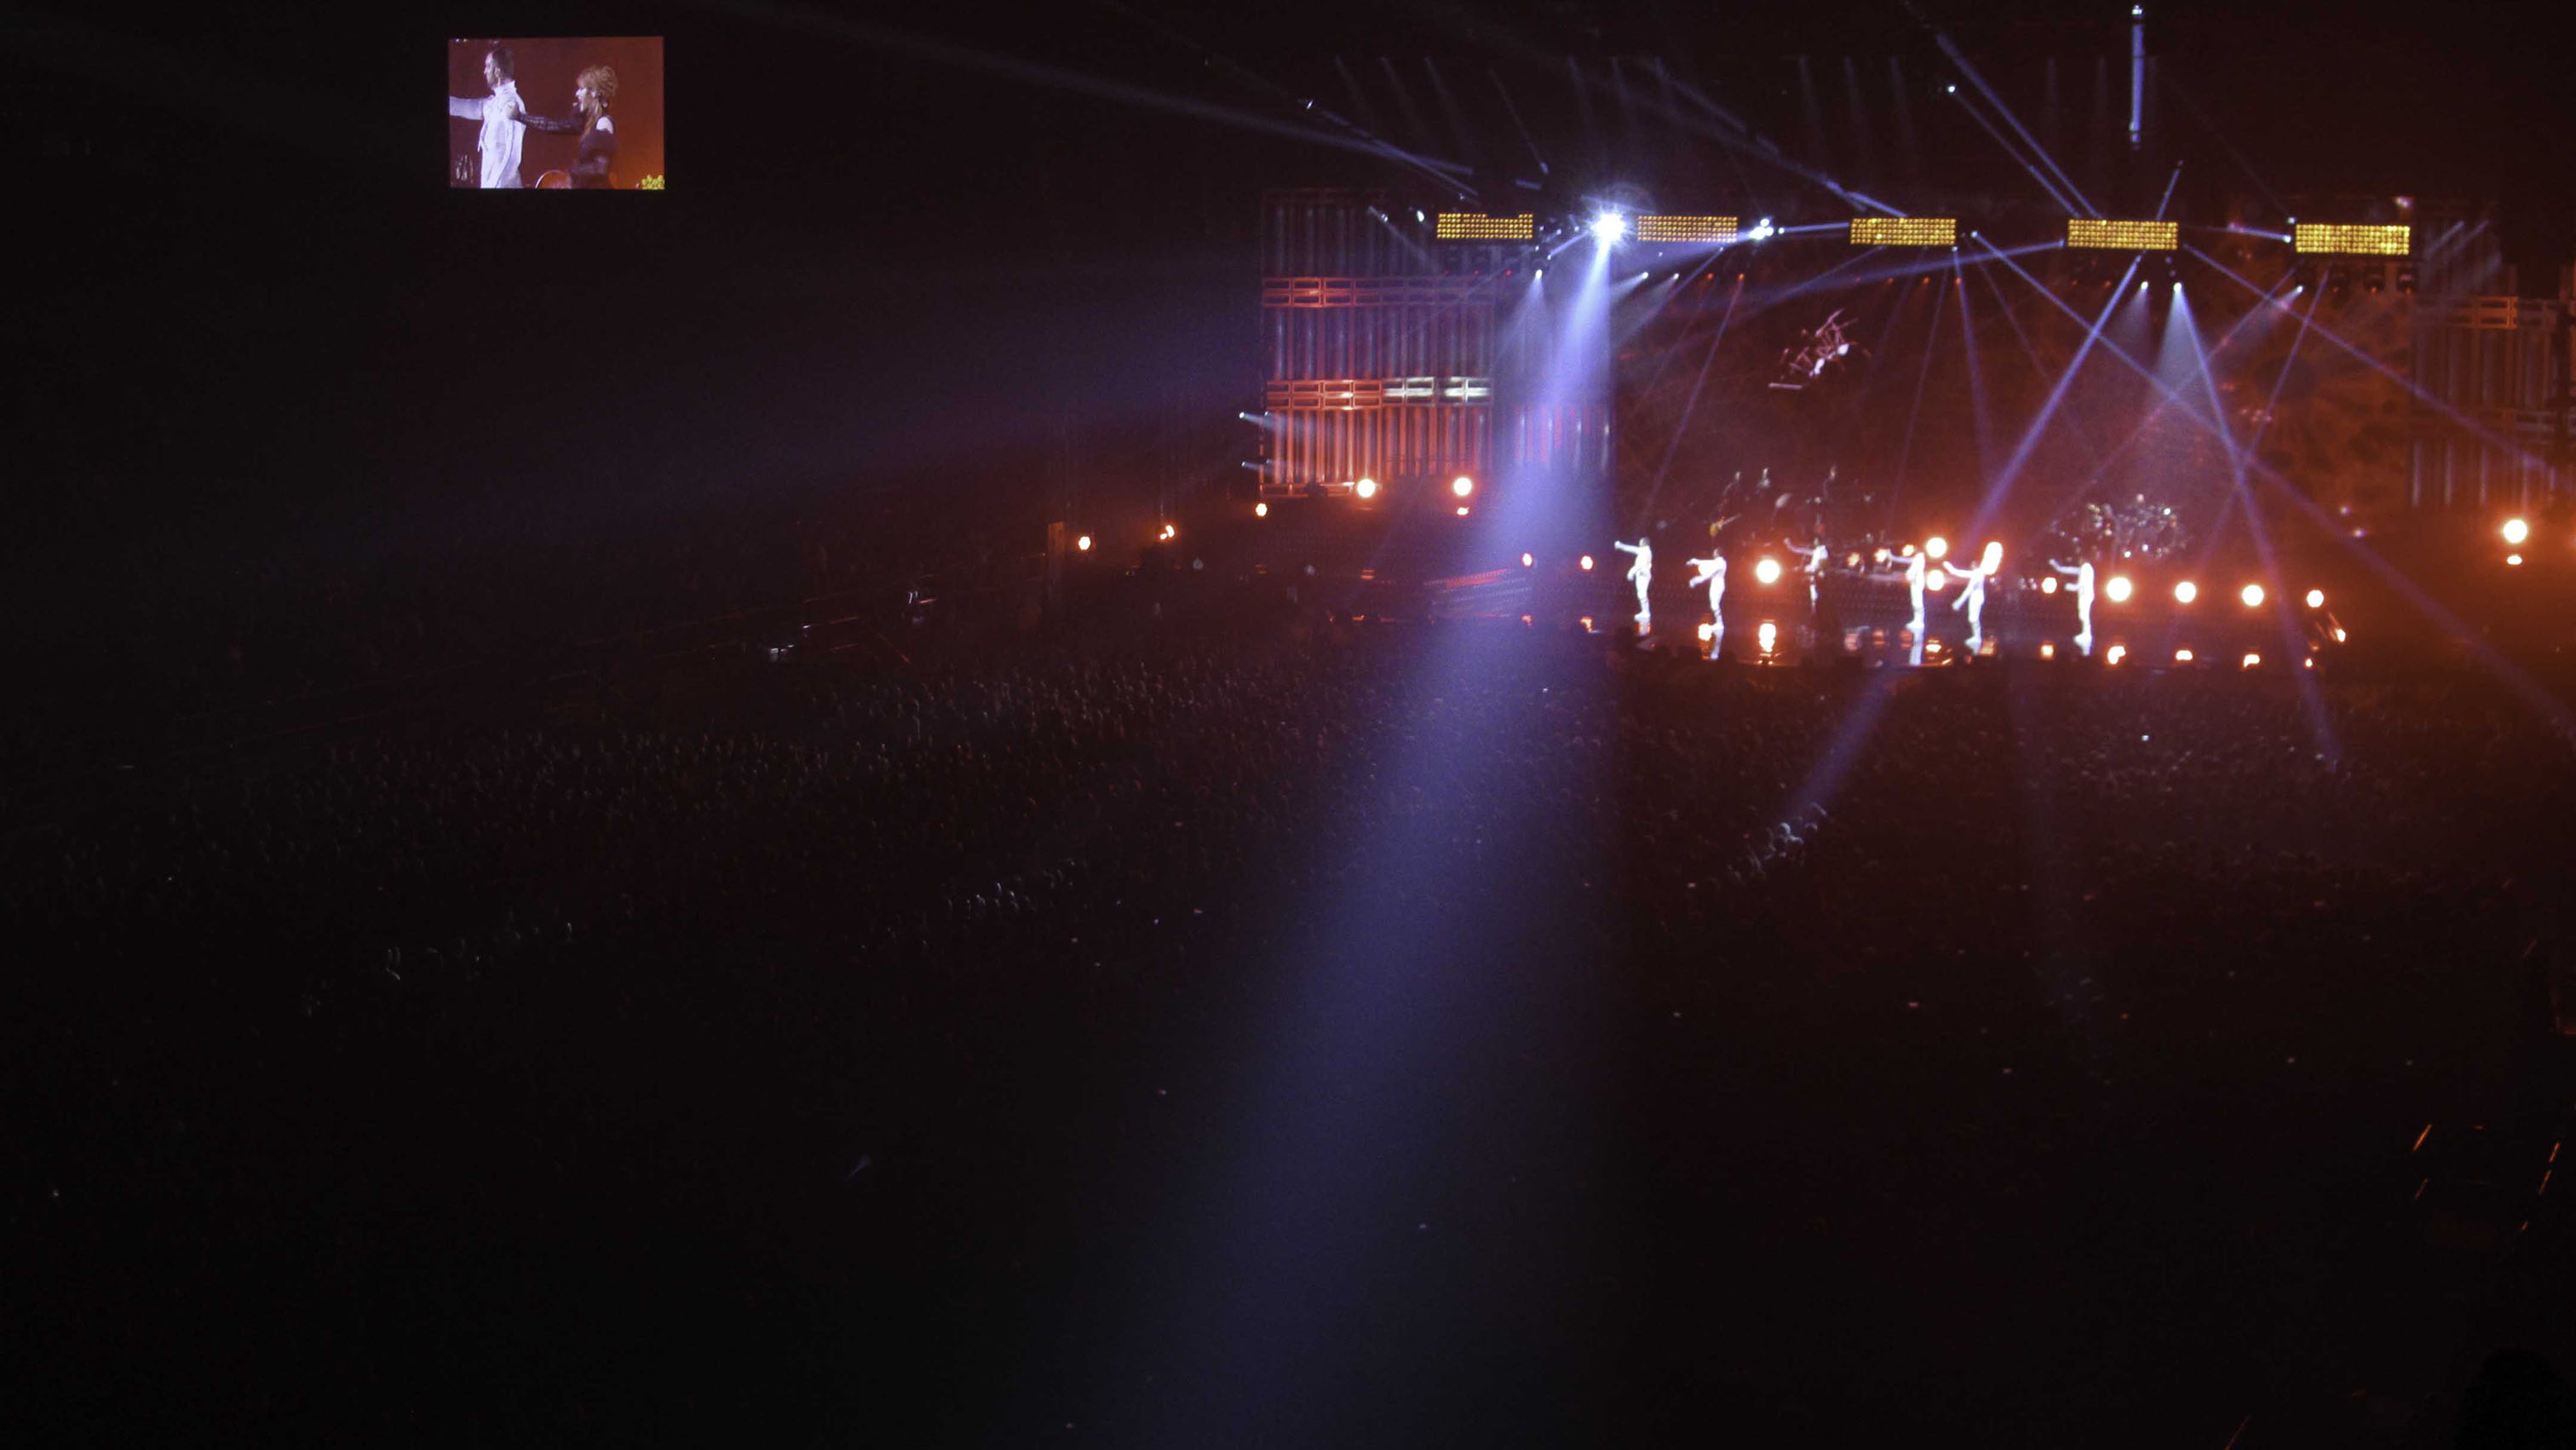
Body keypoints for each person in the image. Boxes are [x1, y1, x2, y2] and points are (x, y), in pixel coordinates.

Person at [514, 65, 620, 188]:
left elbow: (600, 169)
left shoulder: (604, 123)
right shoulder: (587, 124)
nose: (577, 93)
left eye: (581, 89)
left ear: (594, 92)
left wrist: (569, 176)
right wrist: (520, 117)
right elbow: (552, 125)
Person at [448, 45, 526, 189]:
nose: (484, 71)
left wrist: (496, 185)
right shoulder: (494, 103)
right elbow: (467, 107)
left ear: (497, 72)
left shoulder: (512, 104)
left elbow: (513, 157)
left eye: (487, 66)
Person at [1948, 541, 2000, 654]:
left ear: (1975, 565)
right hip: (1976, 597)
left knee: (1973, 618)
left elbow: (1968, 590)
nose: (1970, 566)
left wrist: (1959, 602)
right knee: (1973, 618)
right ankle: (1976, 636)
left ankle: (1977, 637)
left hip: (1976, 597)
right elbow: (1960, 573)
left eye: (1972, 565)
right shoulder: (1977, 572)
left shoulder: (1977, 574)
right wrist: (1950, 569)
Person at [2050, 557, 2096, 656]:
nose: (2078, 561)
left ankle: (2087, 640)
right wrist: (2057, 567)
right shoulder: (2084, 568)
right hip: (2085, 596)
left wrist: (2067, 586)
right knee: (2083, 617)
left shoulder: (2087, 568)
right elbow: (2070, 570)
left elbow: (2081, 585)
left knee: (2084, 617)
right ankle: (2086, 638)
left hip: (2086, 596)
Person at [1613, 537, 1653, 632]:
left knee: (1642, 594)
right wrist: (1621, 546)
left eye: (1640, 542)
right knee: (1641, 594)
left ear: (1644, 543)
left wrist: (1631, 572)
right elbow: (1631, 549)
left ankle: (1646, 613)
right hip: (1641, 575)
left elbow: (1641, 565)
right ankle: (1645, 612)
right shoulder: (1644, 551)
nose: (1639, 544)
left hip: (1643, 574)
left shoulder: (1646, 551)